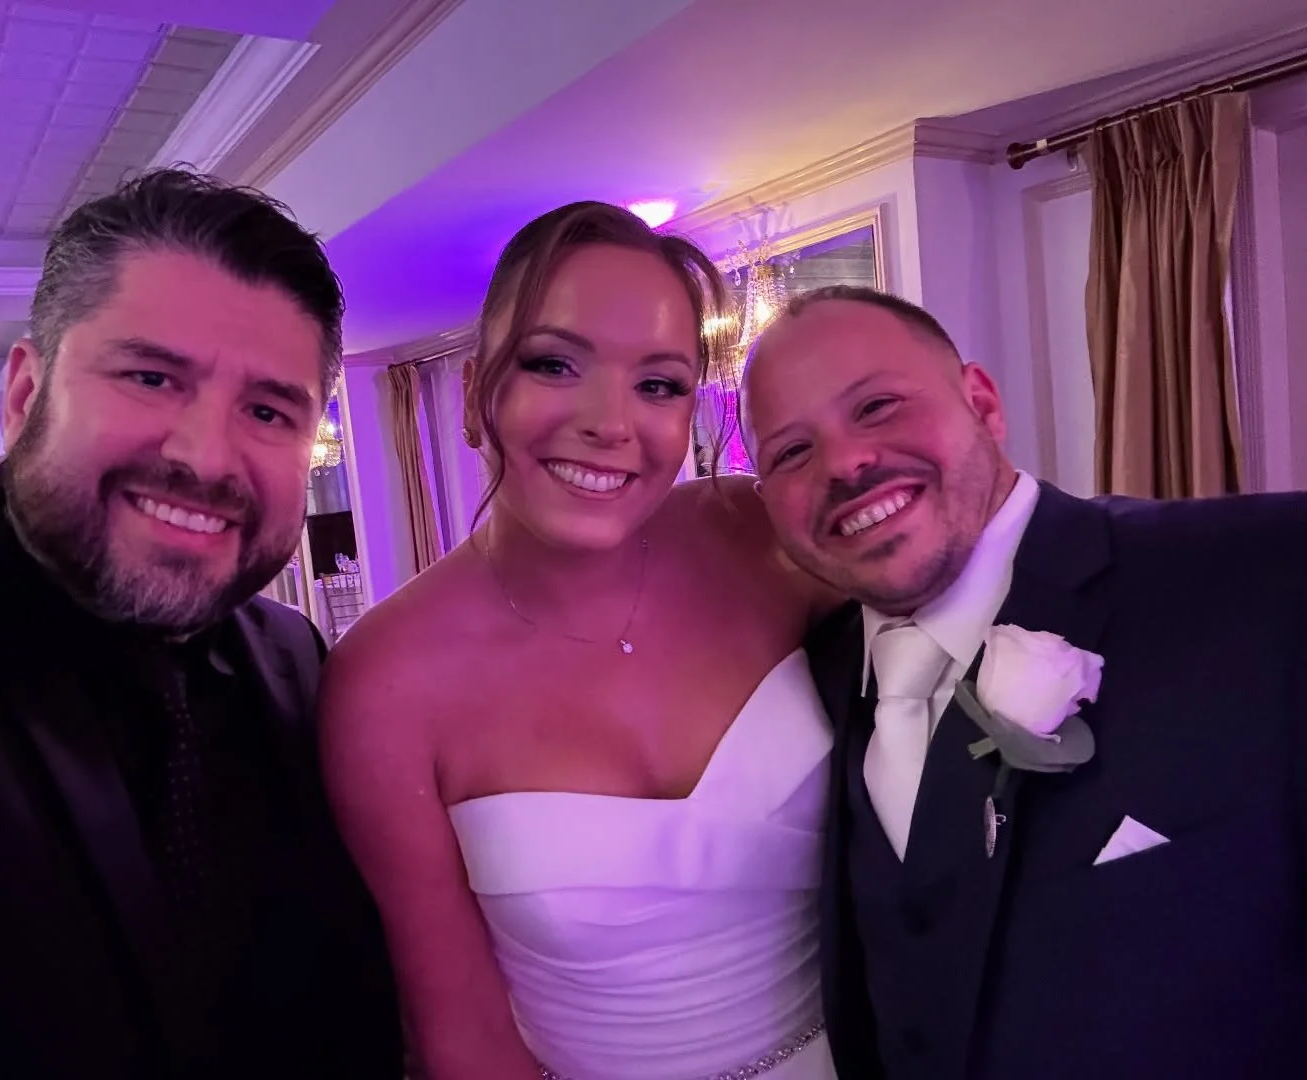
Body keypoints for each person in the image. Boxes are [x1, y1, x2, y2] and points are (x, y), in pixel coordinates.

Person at [0, 170, 402, 1079]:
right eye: (151, 377)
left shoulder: (297, 661)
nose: (204, 455)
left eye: (269, 411)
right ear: (27, 392)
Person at [320, 201, 841, 1080]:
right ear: (477, 397)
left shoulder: (766, 540)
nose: (611, 422)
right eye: (555, 364)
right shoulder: (383, 684)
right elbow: (466, 1036)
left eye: (660, 384)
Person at [741, 284, 1307, 1080]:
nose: (845, 462)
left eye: (876, 406)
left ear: (981, 401)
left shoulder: (1268, 576)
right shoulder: (815, 670)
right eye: (791, 451)